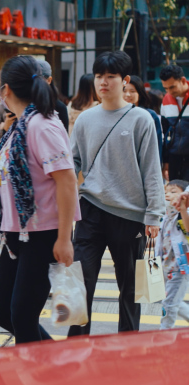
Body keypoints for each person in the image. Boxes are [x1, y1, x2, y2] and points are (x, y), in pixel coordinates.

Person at [0, 55, 80, 344]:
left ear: (6, 90)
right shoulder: (20, 125)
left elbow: (67, 180)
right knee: (5, 314)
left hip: (41, 236)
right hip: (15, 234)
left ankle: (42, 374)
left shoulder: (42, 125)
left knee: (22, 318)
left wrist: (64, 238)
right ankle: (58, 363)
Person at [68, 51, 164, 338]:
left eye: (110, 77)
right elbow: (72, 163)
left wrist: (154, 216)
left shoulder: (141, 119)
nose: (103, 82)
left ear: (125, 81)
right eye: (99, 76)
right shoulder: (85, 119)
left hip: (130, 215)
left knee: (130, 289)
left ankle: (127, 349)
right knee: (80, 283)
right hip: (90, 210)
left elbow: (152, 169)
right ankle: (74, 349)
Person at [157, 180, 189, 329]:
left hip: (180, 267)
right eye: (166, 192)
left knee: (169, 304)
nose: (168, 195)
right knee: (173, 301)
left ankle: (164, 335)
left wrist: (183, 209)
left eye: (173, 192)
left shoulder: (183, 215)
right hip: (165, 266)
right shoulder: (165, 217)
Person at [124, 75, 163, 162]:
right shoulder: (114, 114)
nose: (127, 94)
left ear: (140, 94)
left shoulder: (150, 115)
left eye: (132, 91)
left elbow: (157, 145)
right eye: (124, 90)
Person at [160, 65, 189, 181]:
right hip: (174, 159)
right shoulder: (166, 100)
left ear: (182, 80)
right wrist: (166, 161)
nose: (169, 92)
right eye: (165, 88)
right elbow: (165, 131)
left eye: (172, 87)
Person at [35, 60, 70, 132]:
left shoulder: (59, 107)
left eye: (39, 79)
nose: (35, 83)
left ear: (49, 80)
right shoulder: (24, 103)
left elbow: (64, 137)